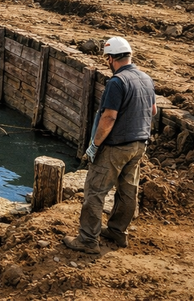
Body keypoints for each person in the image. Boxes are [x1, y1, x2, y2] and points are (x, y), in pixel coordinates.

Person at [63, 37, 156, 254]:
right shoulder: (146, 78)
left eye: (107, 58)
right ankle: (117, 231)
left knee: (95, 191)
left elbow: (109, 118)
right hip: (139, 145)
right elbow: (152, 112)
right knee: (127, 191)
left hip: (116, 147)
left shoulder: (117, 82)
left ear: (112, 58)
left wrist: (95, 145)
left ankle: (87, 240)